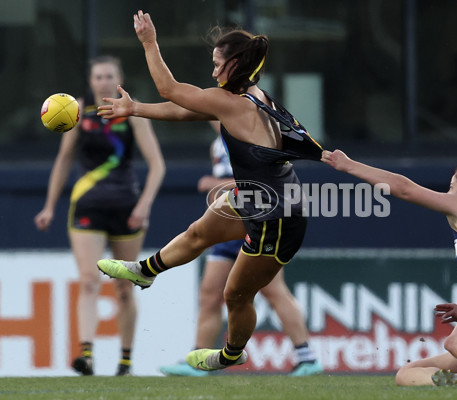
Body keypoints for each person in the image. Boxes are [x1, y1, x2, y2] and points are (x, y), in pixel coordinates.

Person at [96, 10, 323, 373]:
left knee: (235, 295)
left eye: (218, 65)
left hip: (278, 216)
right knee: (200, 231)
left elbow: (170, 90)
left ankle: (231, 354)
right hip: (259, 199)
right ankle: (146, 270)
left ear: (235, 65)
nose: (213, 71)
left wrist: (149, 42)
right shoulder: (249, 96)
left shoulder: (232, 103)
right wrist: (135, 108)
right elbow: (188, 111)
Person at [321, 149, 457, 387]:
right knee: (408, 373)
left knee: (456, 341)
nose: (447, 194)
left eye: (451, 187)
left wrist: (350, 166)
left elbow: (404, 188)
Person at [34, 55, 165, 376]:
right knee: (89, 280)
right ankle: (87, 355)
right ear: (90, 81)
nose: (103, 81)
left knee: (124, 287)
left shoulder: (132, 112)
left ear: (119, 79)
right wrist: (49, 205)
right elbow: (64, 161)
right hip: (88, 205)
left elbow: (157, 164)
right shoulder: (76, 111)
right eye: (98, 77)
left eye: (109, 76)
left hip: (126, 207)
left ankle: (124, 361)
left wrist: (144, 203)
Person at [159, 134, 322, 377]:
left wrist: (215, 183)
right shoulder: (218, 141)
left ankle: (306, 357)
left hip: (257, 222)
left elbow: (258, 179)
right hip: (227, 224)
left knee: (274, 290)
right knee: (210, 293)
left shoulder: (250, 133)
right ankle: (197, 358)